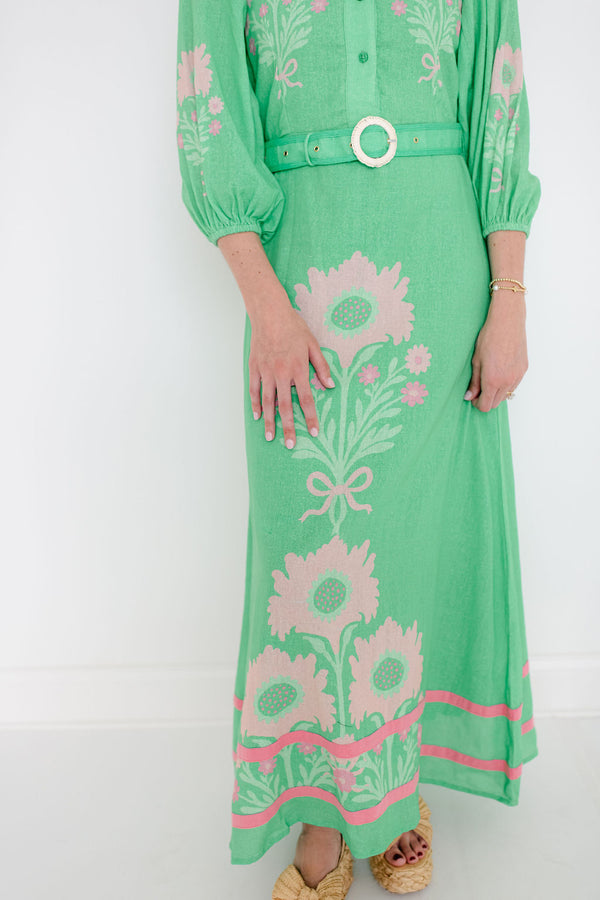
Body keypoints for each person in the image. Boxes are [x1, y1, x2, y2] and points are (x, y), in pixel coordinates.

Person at [175, 0, 541, 895]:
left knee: (415, 540)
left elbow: (497, 107)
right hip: (301, 272)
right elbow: (208, 114)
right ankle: (320, 806)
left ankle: (391, 780)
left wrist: (509, 298)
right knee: (307, 546)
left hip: (441, 271)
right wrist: (266, 310)